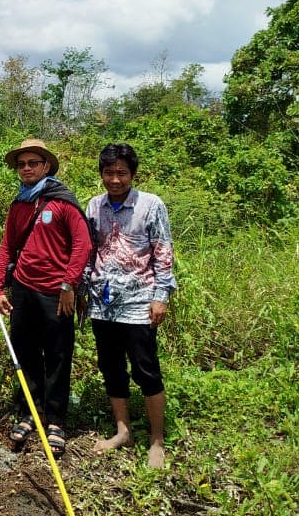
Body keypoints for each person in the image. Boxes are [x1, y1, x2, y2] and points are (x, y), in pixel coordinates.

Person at [0, 138, 93, 457]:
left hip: (55, 292)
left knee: (59, 355)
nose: (26, 169)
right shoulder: (19, 204)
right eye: (21, 164)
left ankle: (56, 420)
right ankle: (29, 412)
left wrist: (68, 285)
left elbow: (83, 245)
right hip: (23, 288)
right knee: (26, 352)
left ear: (46, 166)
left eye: (32, 163)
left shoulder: (62, 202)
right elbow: (7, 246)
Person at [84, 143, 176, 469]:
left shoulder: (151, 205)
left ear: (133, 174)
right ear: (102, 175)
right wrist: (83, 289)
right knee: (111, 368)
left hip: (139, 303)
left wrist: (160, 297)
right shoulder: (94, 206)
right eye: (109, 172)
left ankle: (157, 440)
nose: (115, 179)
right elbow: (88, 251)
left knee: (146, 370)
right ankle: (123, 430)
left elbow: (162, 252)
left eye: (121, 172)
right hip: (103, 302)